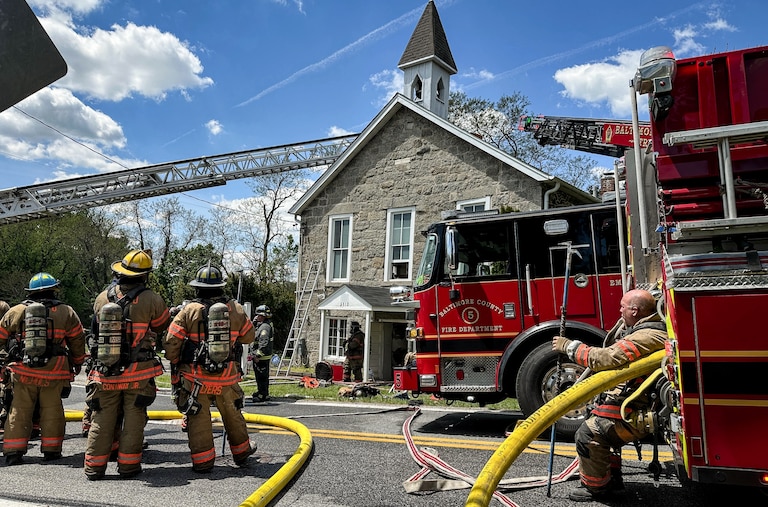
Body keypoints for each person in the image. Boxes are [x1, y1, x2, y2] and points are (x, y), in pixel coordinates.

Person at [552, 288, 667, 502]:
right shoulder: (643, 331)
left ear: (635, 310)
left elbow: (606, 358)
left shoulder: (648, 336)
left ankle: (595, 488)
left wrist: (569, 347)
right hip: (631, 403)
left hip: (635, 409)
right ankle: (612, 479)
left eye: (622, 307)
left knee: (589, 434)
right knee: (598, 422)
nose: (619, 310)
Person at [84, 249, 170, 480]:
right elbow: (162, 324)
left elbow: (94, 327)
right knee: (134, 419)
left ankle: (94, 467)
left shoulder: (102, 298)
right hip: (138, 373)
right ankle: (129, 467)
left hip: (106, 373)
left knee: (101, 418)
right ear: (145, 275)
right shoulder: (152, 298)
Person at [163, 264, 256, 472]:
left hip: (196, 379)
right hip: (226, 378)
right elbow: (249, 336)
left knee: (198, 417)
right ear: (221, 286)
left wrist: (177, 360)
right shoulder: (235, 308)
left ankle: (203, 461)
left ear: (197, 288)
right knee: (233, 414)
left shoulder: (189, 310)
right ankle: (241, 452)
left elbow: (171, 341)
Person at [0, 273, 86, 465]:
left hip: (23, 370)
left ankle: (13, 451)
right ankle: (51, 450)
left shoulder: (16, 311)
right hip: (55, 371)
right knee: (52, 410)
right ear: (54, 289)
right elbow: (77, 340)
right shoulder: (66, 312)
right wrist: (78, 362)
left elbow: (1, 336)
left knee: (19, 410)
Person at [250, 305, 273, 403]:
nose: (257, 317)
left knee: (261, 377)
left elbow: (263, 342)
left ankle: (262, 395)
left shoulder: (265, 327)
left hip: (262, 357)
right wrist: (254, 323)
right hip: (262, 356)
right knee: (260, 376)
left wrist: (258, 356)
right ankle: (262, 392)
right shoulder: (262, 325)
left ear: (263, 316)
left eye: (258, 315)